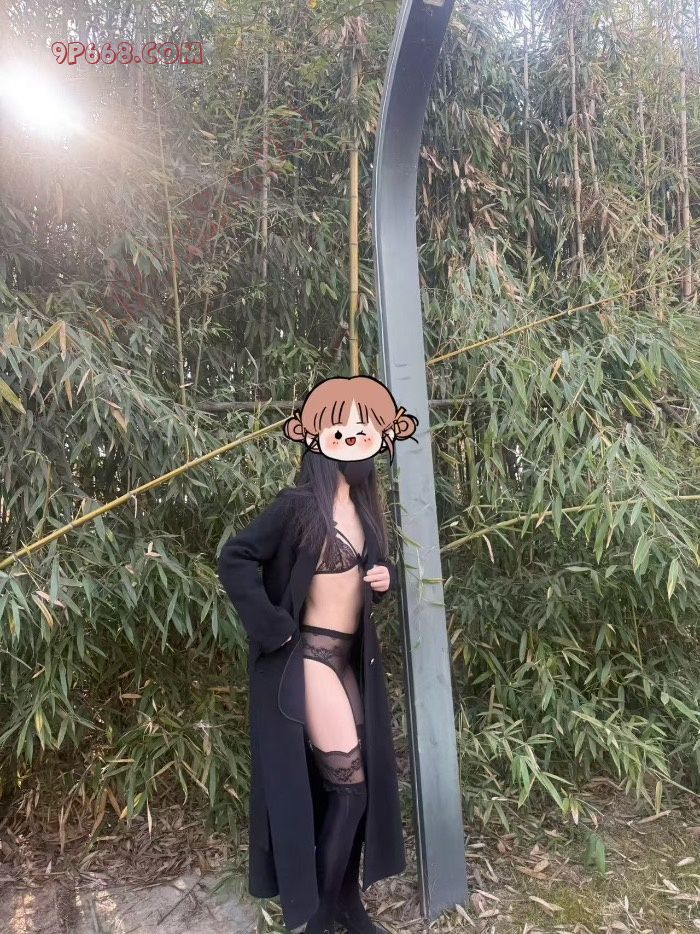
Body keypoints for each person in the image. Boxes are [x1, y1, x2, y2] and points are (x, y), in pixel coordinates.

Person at [217, 448, 406, 933]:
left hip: (350, 663)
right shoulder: (299, 505)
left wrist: (383, 580)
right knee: (351, 790)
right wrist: (272, 627)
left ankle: (345, 902)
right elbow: (235, 557)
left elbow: (368, 578)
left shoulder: (365, 509)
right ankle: (319, 918)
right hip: (312, 658)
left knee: (356, 790)